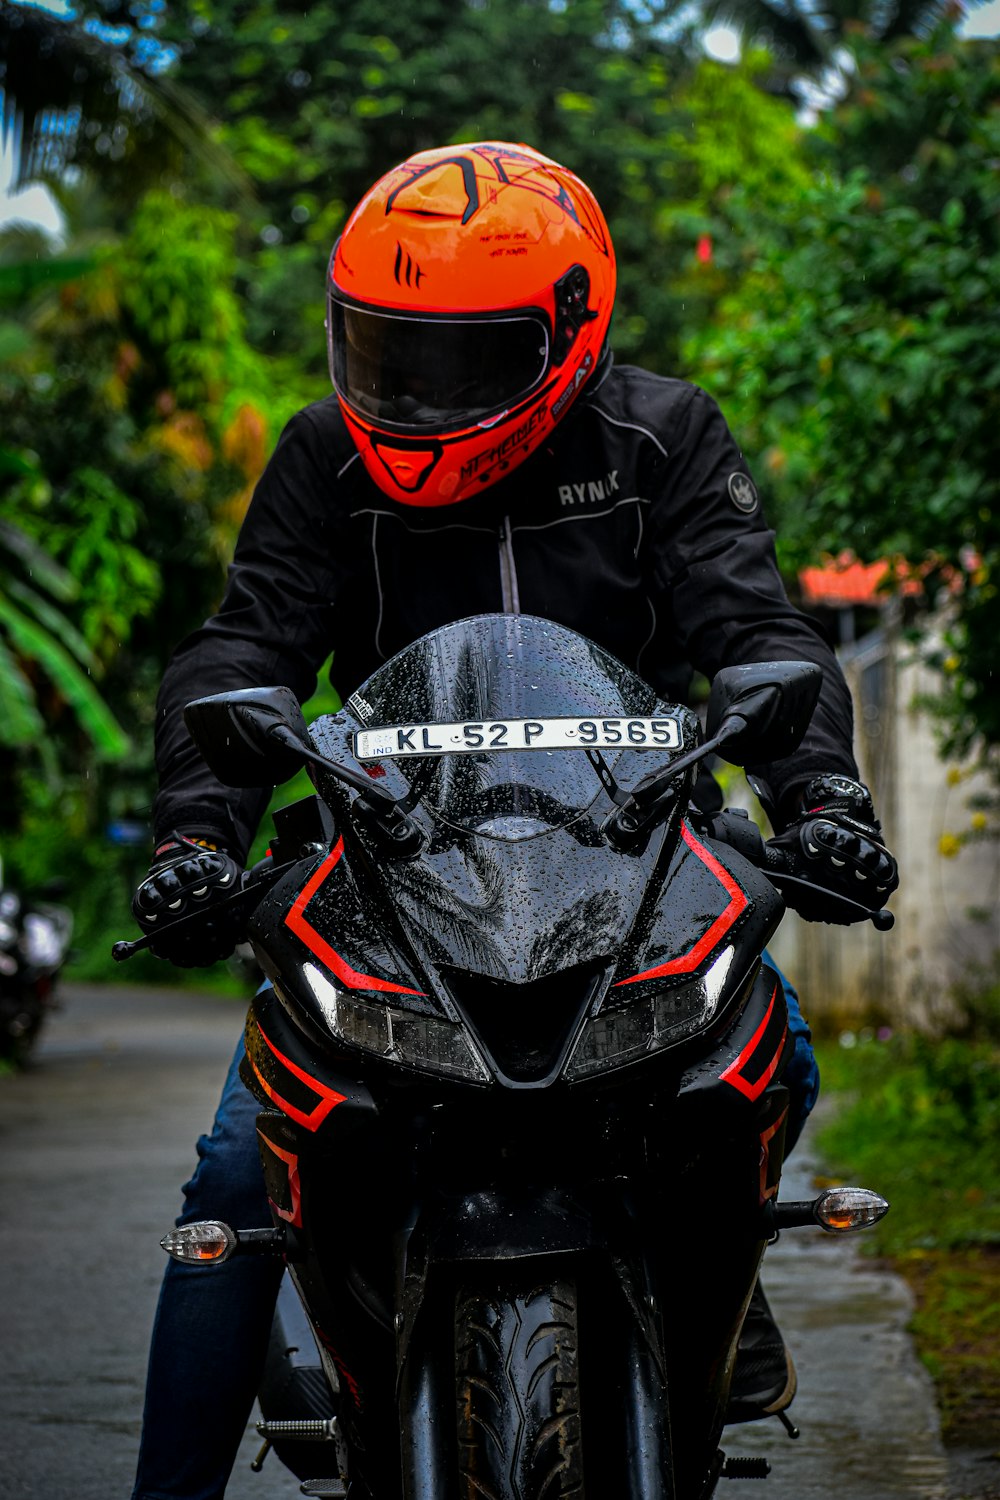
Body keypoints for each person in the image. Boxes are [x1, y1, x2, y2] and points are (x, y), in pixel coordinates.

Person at [129, 141, 898, 1499]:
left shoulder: (662, 436)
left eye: (461, 361)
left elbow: (756, 632)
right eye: (387, 352)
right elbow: (240, 655)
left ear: (571, 330)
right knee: (245, 1166)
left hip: (635, 849)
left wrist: (827, 801)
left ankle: (717, 1276)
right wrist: (195, 840)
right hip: (387, 864)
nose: (416, 396)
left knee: (764, 1058)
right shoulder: (321, 457)